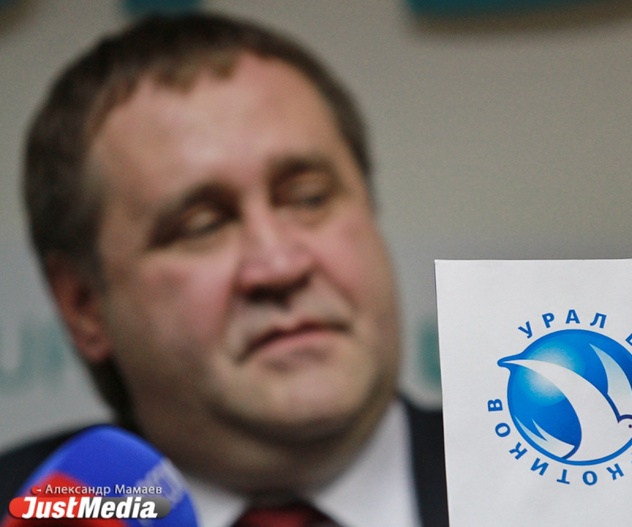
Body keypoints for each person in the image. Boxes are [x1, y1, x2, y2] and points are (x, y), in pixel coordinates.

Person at [0, 12, 448, 527]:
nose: (279, 266)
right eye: (202, 226)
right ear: (84, 306)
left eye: (309, 198)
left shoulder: (525, 482)